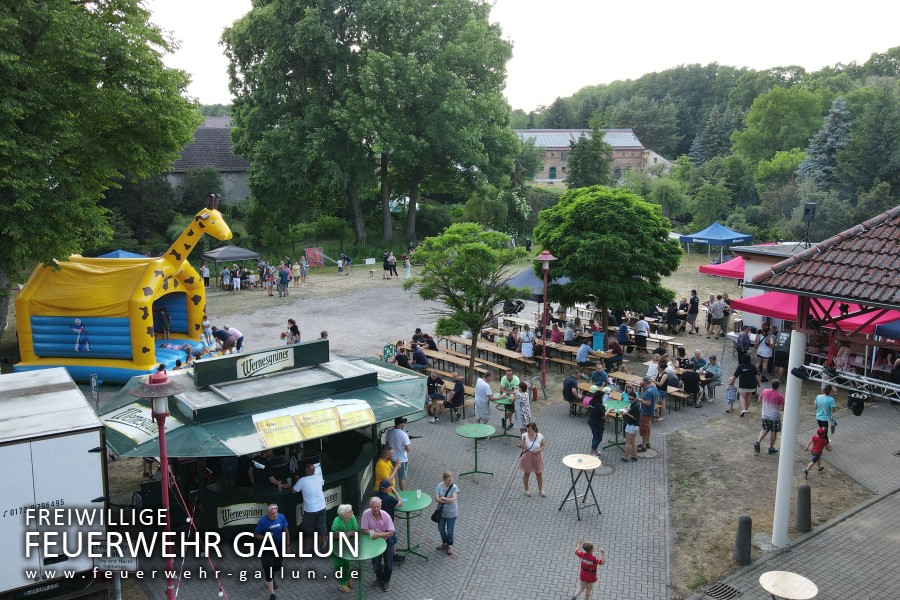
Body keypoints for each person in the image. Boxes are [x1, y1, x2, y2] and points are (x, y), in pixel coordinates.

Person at [254, 503, 290, 600]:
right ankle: (272, 594)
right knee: (268, 567)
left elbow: (286, 531)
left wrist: (287, 545)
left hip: (279, 547)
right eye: (272, 513)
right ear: (268, 513)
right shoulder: (262, 521)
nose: (274, 515)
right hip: (267, 549)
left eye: (276, 513)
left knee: (277, 567)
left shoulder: (281, 517)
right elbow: (256, 535)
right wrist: (265, 538)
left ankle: (271, 578)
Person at [360, 497, 395, 592]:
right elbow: (364, 530)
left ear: (381, 506)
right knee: (376, 564)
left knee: (388, 565)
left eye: (377, 507)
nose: (375, 509)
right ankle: (379, 579)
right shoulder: (366, 514)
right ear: (370, 506)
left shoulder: (386, 516)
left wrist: (378, 534)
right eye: (373, 507)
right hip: (374, 543)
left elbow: (390, 533)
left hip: (387, 541)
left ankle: (386, 581)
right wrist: (373, 533)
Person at [291, 463, 328, 553]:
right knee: (320, 527)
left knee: (308, 527)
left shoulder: (302, 480)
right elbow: (321, 483)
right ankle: (320, 542)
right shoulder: (319, 478)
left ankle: (318, 544)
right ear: (314, 471)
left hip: (311, 509)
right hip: (322, 506)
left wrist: (296, 481)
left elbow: (293, 491)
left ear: (306, 471)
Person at [374, 479, 405, 564]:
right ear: (385, 489)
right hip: (387, 525)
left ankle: (394, 555)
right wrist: (395, 492)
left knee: (393, 538)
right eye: (389, 487)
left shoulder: (376, 496)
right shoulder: (389, 499)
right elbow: (400, 503)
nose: (390, 488)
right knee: (391, 539)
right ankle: (390, 558)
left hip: (376, 523)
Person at [330, 506, 357, 592]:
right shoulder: (336, 521)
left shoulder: (352, 518)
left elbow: (355, 531)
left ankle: (348, 577)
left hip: (347, 545)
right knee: (340, 566)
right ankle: (342, 584)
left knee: (346, 564)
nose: (352, 512)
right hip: (335, 546)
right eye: (350, 512)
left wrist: (344, 534)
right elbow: (334, 534)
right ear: (343, 515)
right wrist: (348, 533)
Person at [754, 379, 785, 454]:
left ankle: (758, 442)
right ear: (778, 386)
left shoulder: (764, 391)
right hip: (774, 417)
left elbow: (759, 400)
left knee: (764, 429)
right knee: (773, 432)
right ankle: (771, 448)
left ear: (771, 384)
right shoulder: (780, 396)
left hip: (765, 415)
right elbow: (781, 409)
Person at [435, 471, 459, 556]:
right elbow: (437, 499)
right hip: (442, 513)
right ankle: (445, 543)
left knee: (450, 530)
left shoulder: (454, 487)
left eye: (451, 480)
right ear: (444, 480)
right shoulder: (439, 486)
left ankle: (450, 545)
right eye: (448, 480)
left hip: (452, 513)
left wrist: (444, 498)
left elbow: (453, 500)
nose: (450, 482)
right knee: (440, 528)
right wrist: (448, 500)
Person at [519, 422, 546, 497]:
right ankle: (526, 490)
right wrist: (524, 440)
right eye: (527, 428)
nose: (528, 430)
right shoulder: (524, 435)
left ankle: (541, 490)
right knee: (527, 473)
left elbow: (543, 445)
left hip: (537, 456)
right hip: (528, 457)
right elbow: (523, 447)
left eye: (529, 428)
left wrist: (538, 450)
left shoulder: (539, 435)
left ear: (533, 428)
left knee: (539, 473)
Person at [384, 417, 411, 490]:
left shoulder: (389, 432)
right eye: (404, 423)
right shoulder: (404, 434)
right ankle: (402, 493)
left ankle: (388, 491)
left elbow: (387, 445)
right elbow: (408, 449)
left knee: (390, 477)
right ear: (401, 424)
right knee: (401, 479)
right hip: (402, 460)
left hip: (391, 458)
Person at [586, 386, 610, 456]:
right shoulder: (598, 405)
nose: (603, 397)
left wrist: (602, 408)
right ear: (600, 397)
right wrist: (609, 410)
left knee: (595, 436)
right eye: (603, 396)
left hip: (591, 421)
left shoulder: (592, 402)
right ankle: (591, 452)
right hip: (597, 423)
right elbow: (603, 416)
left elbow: (593, 411)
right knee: (599, 438)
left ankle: (595, 451)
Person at [638, 376, 659, 452]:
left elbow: (648, 403)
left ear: (644, 382)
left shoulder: (648, 392)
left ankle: (643, 446)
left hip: (645, 413)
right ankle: (647, 443)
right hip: (651, 412)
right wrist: (643, 386)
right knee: (648, 428)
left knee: (644, 429)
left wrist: (640, 400)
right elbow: (655, 398)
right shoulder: (654, 388)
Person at [621, 385, 640, 462]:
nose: (630, 400)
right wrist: (628, 409)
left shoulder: (635, 406)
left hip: (631, 426)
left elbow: (635, 417)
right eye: (629, 399)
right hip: (635, 426)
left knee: (628, 443)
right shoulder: (635, 404)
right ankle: (635, 456)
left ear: (635, 398)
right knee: (633, 441)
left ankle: (625, 457)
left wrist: (626, 413)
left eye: (631, 399)